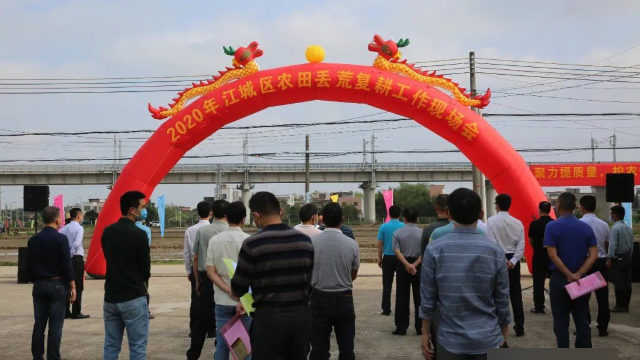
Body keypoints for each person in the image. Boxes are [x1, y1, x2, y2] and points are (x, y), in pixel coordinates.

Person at [420, 188, 511, 360]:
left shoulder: (434, 250)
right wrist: (504, 333)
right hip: (488, 339)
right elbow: (502, 297)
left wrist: (425, 333)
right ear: (481, 213)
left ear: (448, 213)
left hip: (449, 341)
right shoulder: (494, 251)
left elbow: (428, 298)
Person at [231, 192, 314, 359]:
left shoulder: (252, 244)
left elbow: (238, 288)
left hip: (268, 320)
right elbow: (309, 280)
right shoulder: (305, 242)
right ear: (281, 211)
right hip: (300, 318)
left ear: (256, 215)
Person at [544, 192, 597, 348]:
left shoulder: (551, 226)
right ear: (575, 207)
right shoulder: (586, 227)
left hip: (560, 279)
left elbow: (552, 255)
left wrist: (568, 274)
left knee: (561, 322)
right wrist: (578, 274)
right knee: (582, 320)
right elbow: (593, 255)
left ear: (558, 206)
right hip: (582, 280)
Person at [101, 191, 151, 360]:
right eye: (142, 207)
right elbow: (145, 270)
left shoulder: (107, 232)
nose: (144, 210)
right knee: (137, 346)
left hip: (111, 296)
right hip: (133, 297)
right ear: (132, 210)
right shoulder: (140, 234)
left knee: (111, 345)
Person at [309, 203, 360, 360]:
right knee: (346, 348)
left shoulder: (311, 243)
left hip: (318, 297)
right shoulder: (352, 244)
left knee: (318, 349)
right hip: (344, 298)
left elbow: (308, 271)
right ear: (342, 219)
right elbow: (354, 273)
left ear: (322, 220)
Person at [27, 206, 76, 360]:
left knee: (39, 323)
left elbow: (29, 265)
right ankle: (53, 356)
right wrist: (72, 285)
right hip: (57, 285)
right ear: (56, 220)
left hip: (39, 284)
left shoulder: (33, 240)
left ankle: (37, 356)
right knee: (55, 326)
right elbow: (66, 264)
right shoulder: (61, 239)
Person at [206, 201, 252, 360]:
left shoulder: (215, 241)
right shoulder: (249, 241)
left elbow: (211, 272)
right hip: (245, 301)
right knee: (244, 347)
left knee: (222, 345)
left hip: (222, 300)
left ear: (226, 217)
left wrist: (228, 291)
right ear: (244, 219)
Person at [187, 199, 228, 359]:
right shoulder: (230, 231)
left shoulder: (202, 231)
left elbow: (195, 258)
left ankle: (193, 354)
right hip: (225, 278)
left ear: (213, 213)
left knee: (202, 320)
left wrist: (197, 281)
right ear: (226, 214)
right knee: (224, 318)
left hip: (205, 278)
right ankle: (220, 352)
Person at [487, 194, 525, 337]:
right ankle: (519, 326)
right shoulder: (518, 222)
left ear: (497, 205)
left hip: (498, 259)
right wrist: (514, 260)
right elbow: (521, 244)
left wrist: (502, 259)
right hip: (513, 262)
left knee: (496, 294)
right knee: (516, 294)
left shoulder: (491, 221)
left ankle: (498, 326)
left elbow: (491, 242)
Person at [578, 195, 610, 335]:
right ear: (594, 207)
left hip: (585, 263)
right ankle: (602, 327)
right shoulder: (604, 224)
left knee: (583, 298)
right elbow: (607, 244)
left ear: (582, 207)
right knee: (602, 297)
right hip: (600, 263)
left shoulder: (579, 224)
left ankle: (584, 326)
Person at [392, 207, 422, 336]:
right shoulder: (422, 233)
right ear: (417, 219)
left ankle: (401, 327)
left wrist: (407, 265)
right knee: (419, 297)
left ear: (404, 218)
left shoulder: (398, 233)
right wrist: (414, 265)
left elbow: (397, 251)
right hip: (418, 266)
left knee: (402, 297)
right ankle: (420, 327)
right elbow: (424, 251)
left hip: (403, 266)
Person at [184, 201, 212, 337]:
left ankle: (194, 329)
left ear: (198, 213)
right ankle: (212, 329)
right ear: (210, 213)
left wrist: (189, 272)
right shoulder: (212, 229)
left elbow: (187, 253)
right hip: (211, 271)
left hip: (196, 270)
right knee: (212, 300)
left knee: (196, 300)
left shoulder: (190, 230)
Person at [59, 207, 89, 319]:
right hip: (76, 259)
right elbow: (76, 244)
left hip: (65, 258)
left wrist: (65, 257)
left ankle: (66, 311)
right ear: (78, 216)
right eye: (82, 215)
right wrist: (70, 255)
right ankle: (76, 311)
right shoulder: (79, 228)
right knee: (78, 285)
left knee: (66, 284)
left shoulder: (63, 229)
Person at [377, 205, 404, 315]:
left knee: (387, 285)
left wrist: (379, 257)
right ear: (400, 214)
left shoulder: (383, 227)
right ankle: (400, 308)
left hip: (387, 257)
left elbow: (380, 244)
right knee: (401, 285)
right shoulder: (403, 226)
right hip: (400, 258)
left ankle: (386, 309)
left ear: (389, 213)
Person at [528, 201, 554, 315]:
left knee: (538, 282)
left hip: (538, 255)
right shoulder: (554, 223)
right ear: (549, 210)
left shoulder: (534, 224)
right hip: (552, 256)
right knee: (554, 281)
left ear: (539, 209)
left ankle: (539, 306)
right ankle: (556, 304)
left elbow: (530, 240)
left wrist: (537, 248)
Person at [607, 205, 634, 313]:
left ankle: (619, 305)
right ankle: (626, 305)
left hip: (618, 258)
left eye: (611, 213)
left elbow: (612, 245)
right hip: (627, 256)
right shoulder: (628, 227)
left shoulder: (615, 228)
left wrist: (609, 258)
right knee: (627, 281)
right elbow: (631, 245)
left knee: (618, 282)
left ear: (615, 215)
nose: (611, 216)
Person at [134, 207, 153, 318]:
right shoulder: (146, 230)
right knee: (144, 286)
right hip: (142, 261)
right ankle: (145, 310)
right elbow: (147, 246)